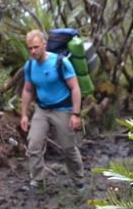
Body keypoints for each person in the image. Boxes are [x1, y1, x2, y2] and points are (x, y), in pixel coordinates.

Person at [19, 29, 86, 192]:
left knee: (68, 148)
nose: (33, 51)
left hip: (63, 109)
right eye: (30, 48)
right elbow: (27, 90)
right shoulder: (30, 66)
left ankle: (79, 182)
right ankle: (37, 181)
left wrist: (76, 114)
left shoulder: (60, 62)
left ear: (44, 44)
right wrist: (24, 115)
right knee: (34, 144)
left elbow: (75, 88)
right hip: (42, 110)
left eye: (36, 47)